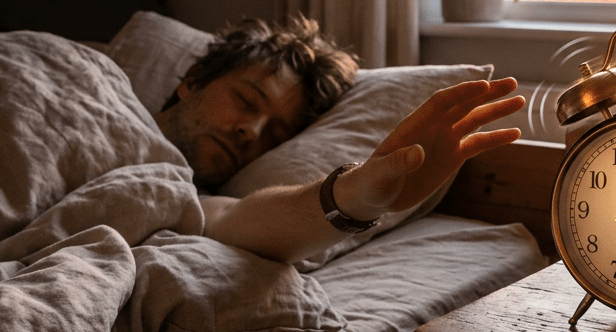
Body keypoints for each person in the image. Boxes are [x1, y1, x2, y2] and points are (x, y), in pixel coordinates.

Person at [153, 15, 525, 265]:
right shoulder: (101, 85)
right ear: (193, 80)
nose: (251, 132)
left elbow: (236, 219)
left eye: (275, 134)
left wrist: (359, 193)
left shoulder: (186, 199)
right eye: (247, 101)